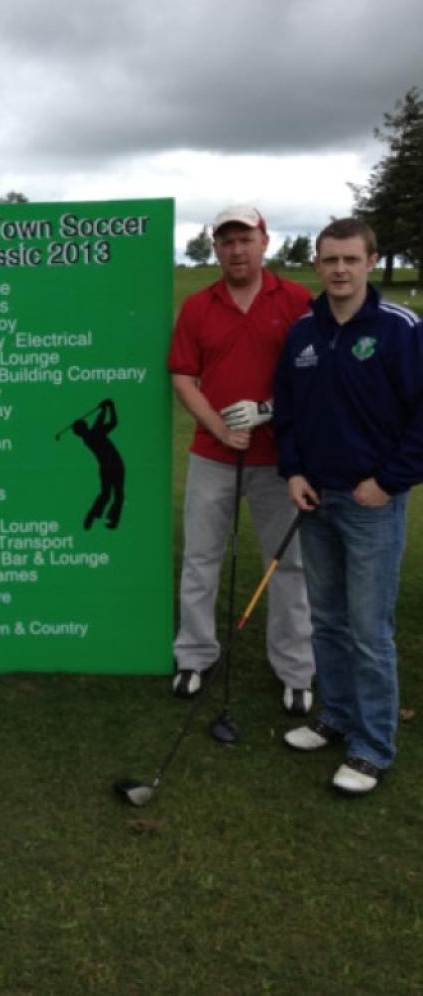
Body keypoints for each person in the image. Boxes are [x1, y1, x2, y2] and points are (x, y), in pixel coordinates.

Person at [274, 218, 423, 794]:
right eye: (330, 260)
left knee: (368, 630)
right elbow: (287, 411)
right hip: (315, 500)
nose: (340, 269)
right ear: (316, 264)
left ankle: (372, 746)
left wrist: (387, 482)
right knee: (328, 620)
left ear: (371, 262)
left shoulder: (400, 329)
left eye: (351, 260)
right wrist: (293, 471)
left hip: (371, 504)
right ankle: (335, 717)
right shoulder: (303, 333)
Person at [168, 205, 315, 713]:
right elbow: (183, 377)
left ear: (264, 242)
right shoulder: (198, 306)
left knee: (288, 564)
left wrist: (268, 411)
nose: (236, 250)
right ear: (216, 248)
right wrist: (219, 426)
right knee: (201, 559)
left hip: (282, 461)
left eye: (245, 239)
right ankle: (194, 655)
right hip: (213, 456)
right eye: (226, 241)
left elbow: (315, 377)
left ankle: (296, 668)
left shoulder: (296, 301)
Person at [72, 398, 125, 529]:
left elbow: (99, 423)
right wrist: (110, 407)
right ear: (84, 426)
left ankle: (92, 516)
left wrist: (104, 409)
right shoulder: (94, 433)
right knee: (118, 494)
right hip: (115, 465)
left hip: (106, 467)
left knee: (106, 494)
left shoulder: (88, 437)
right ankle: (113, 520)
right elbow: (113, 422)